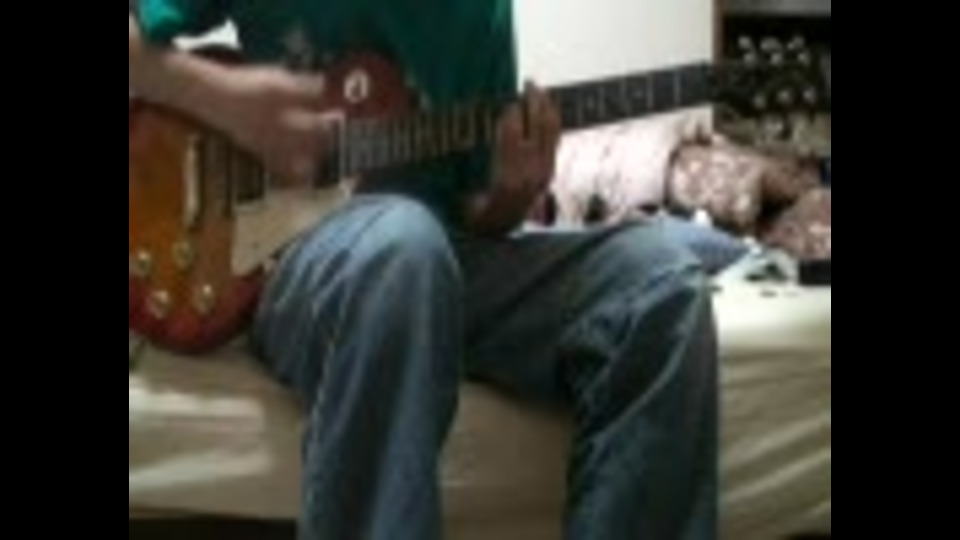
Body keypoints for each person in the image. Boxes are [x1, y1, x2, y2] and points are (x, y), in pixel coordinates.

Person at [128, 1, 720, 538]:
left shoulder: (480, 14)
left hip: (438, 260)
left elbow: (475, 218)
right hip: (304, 260)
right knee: (403, 247)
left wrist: (512, 193)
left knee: (658, 282)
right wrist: (233, 103)